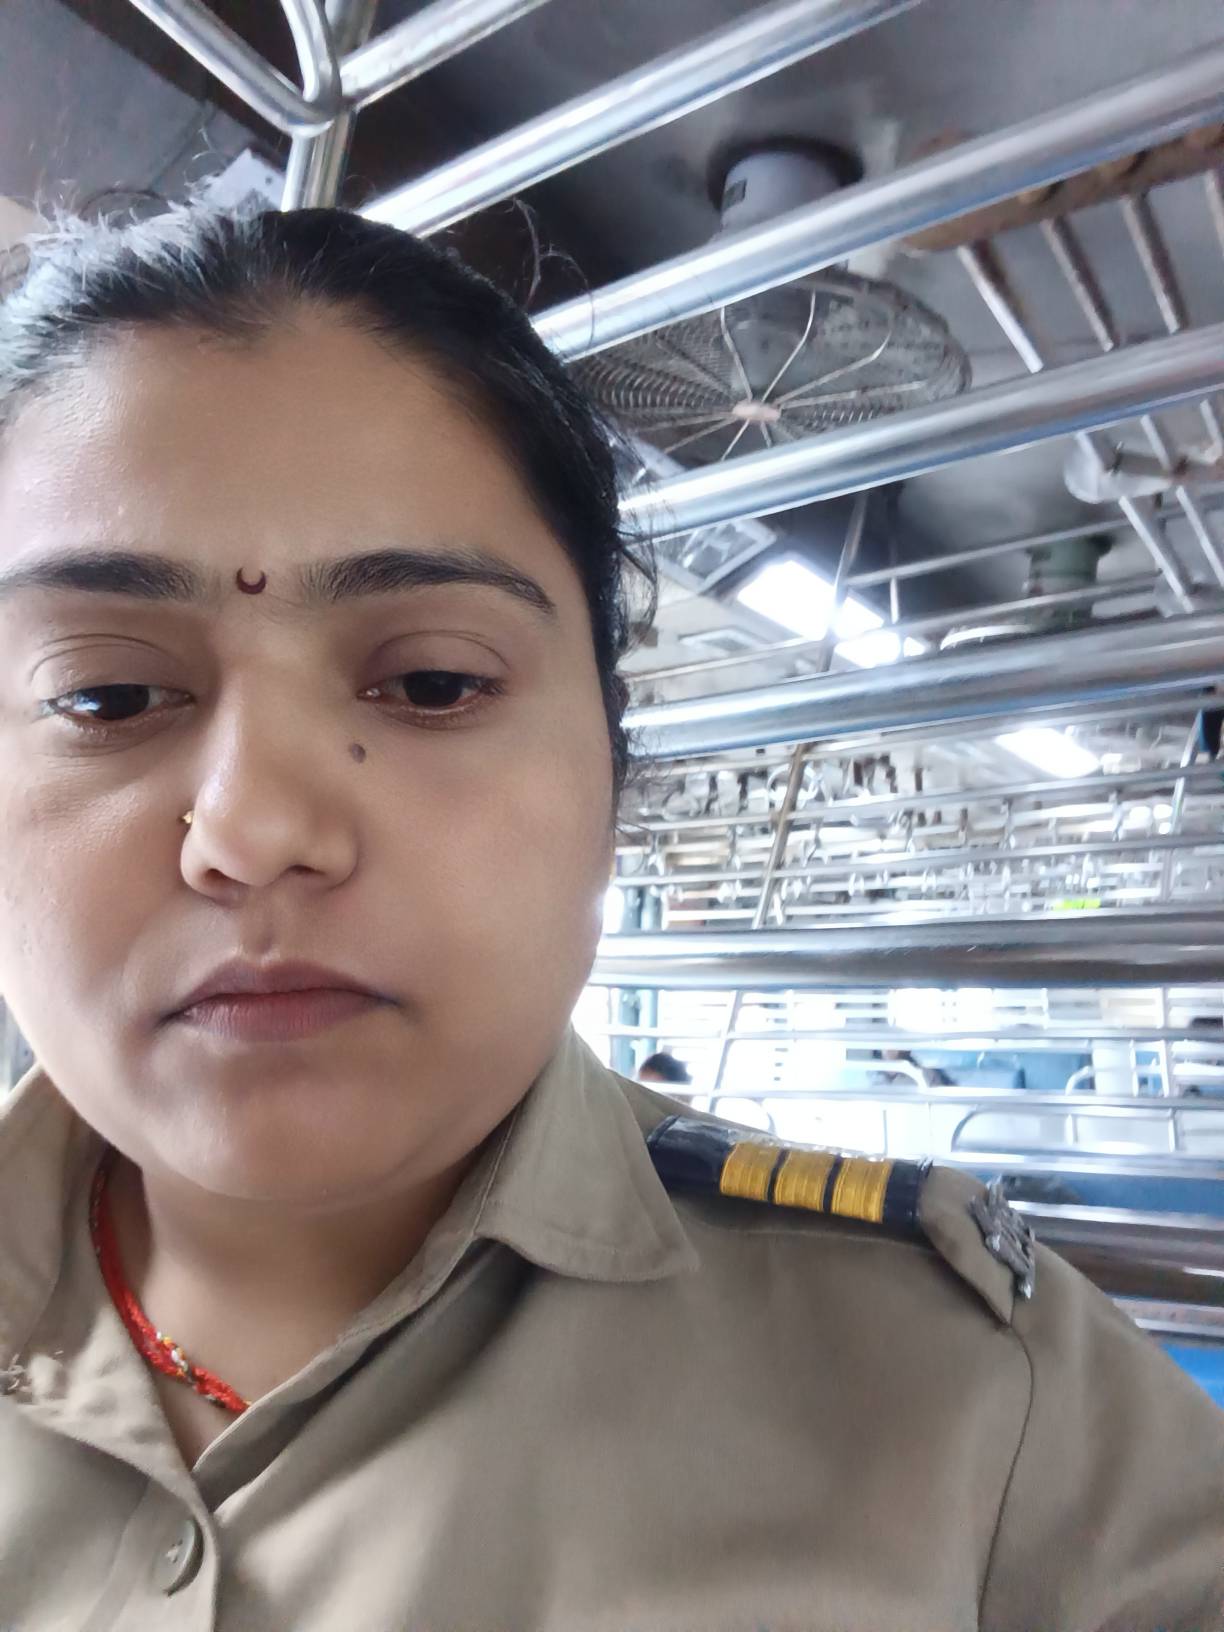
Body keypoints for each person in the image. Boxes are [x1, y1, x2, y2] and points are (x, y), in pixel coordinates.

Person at [0, 207, 1218, 1632]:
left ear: (612, 778)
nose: (257, 831)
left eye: (435, 683)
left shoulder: (990, 1419)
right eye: (106, 697)